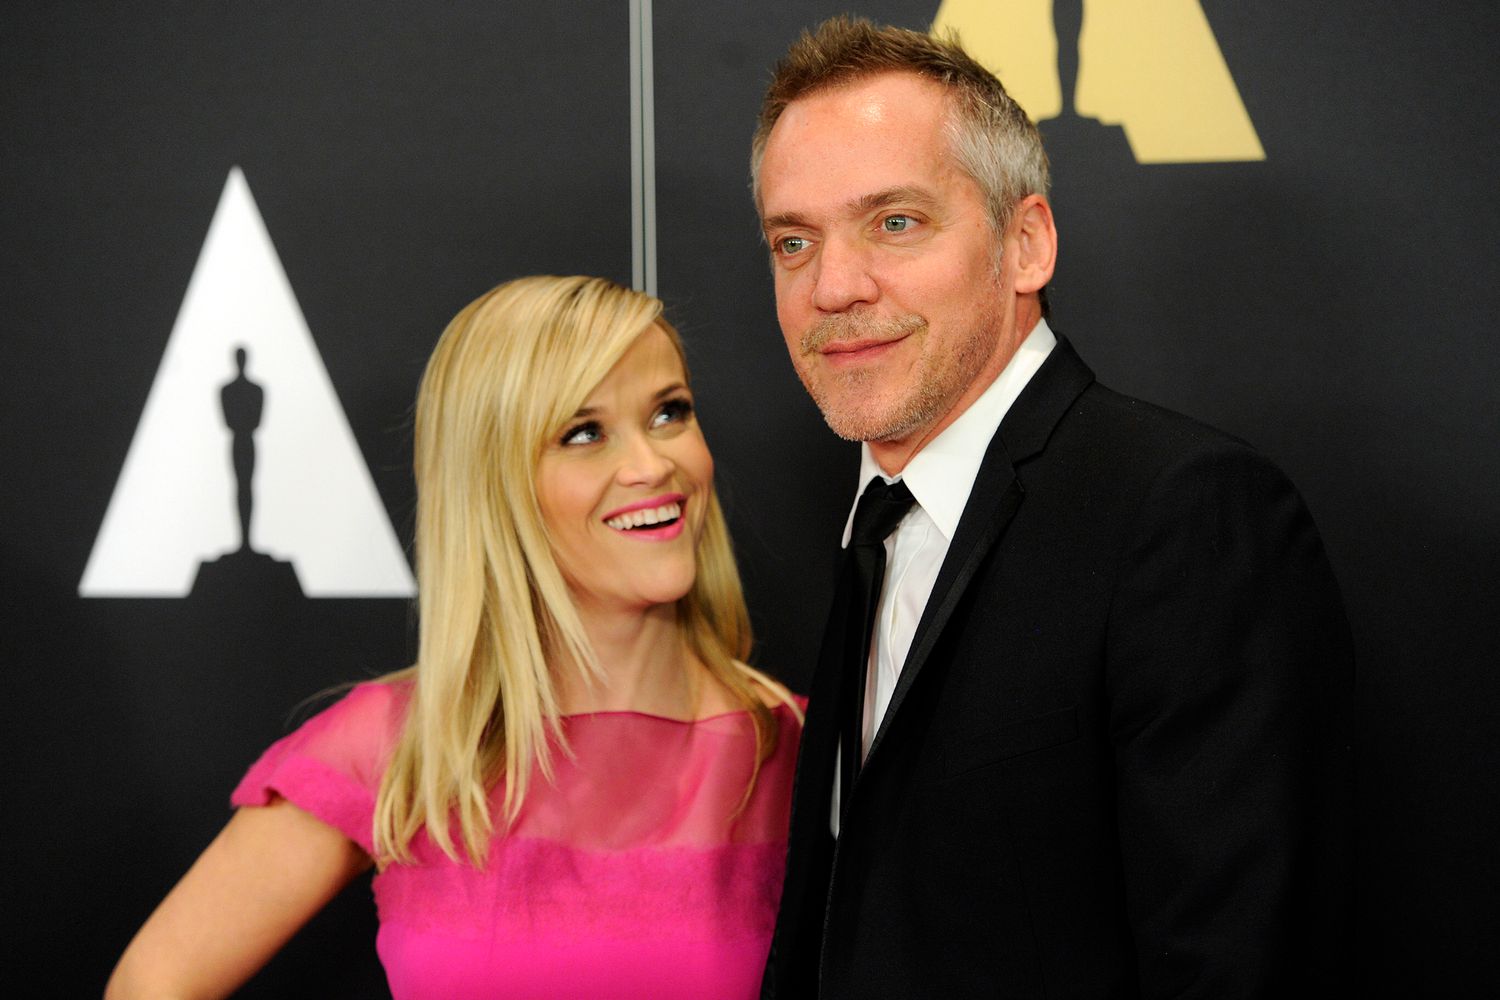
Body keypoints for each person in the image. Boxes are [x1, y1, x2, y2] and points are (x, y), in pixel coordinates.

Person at [751, 18, 1353, 998]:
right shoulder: (878, 522)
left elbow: (1237, 962)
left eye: (894, 223)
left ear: (1025, 241)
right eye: (794, 240)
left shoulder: (1181, 514)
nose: (835, 285)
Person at [106, 276, 803, 1000]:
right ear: (491, 480)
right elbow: (151, 983)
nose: (652, 465)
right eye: (584, 433)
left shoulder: (797, 756)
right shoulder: (400, 745)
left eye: (669, 413)